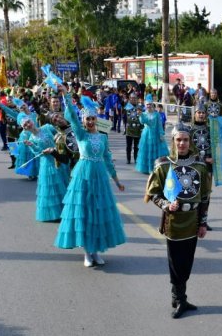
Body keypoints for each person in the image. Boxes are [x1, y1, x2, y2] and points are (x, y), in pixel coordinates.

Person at [54, 90, 126, 267]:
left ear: (96, 119)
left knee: (98, 214)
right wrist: (66, 96)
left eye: (93, 118)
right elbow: (71, 116)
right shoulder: (80, 134)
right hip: (83, 176)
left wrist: (117, 181)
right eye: (88, 119)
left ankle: (95, 252)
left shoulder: (102, 137)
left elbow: (107, 159)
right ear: (84, 120)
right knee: (85, 214)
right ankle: (87, 253)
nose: (91, 122)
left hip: (99, 177)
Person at [145, 128, 211, 318]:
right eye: (178, 140)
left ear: (190, 142)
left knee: (187, 261)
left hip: (193, 220)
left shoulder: (200, 165)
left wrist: (203, 223)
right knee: (176, 262)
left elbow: (205, 197)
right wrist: (166, 205)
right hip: (173, 222)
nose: (182, 143)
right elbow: (153, 194)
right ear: (173, 141)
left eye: (185, 140)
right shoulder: (163, 165)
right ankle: (179, 298)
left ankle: (179, 297)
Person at [22, 113, 70, 221]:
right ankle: (56, 213)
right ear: (24, 128)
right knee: (52, 188)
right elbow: (38, 153)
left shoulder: (47, 127)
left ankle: (67, 211)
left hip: (59, 158)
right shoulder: (31, 139)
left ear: (32, 121)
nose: (28, 125)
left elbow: (61, 136)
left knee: (63, 183)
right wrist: (32, 145)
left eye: (28, 122)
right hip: (47, 163)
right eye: (25, 125)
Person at [135, 94, 169, 174]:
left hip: (155, 134)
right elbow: (142, 122)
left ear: (152, 105)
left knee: (156, 152)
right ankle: (148, 169)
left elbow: (159, 125)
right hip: (146, 135)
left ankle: (156, 167)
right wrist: (140, 115)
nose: (148, 106)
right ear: (145, 105)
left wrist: (161, 134)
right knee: (147, 151)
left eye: (150, 104)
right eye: (147, 104)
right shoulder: (144, 114)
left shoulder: (156, 114)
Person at [124, 96, 143, 164]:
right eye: (132, 98)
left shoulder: (140, 107)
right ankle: (128, 159)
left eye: (135, 98)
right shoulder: (127, 107)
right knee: (128, 146)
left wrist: (142, 128)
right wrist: (125, 127)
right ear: (130, 99)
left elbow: (142, 117)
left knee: (136, 146)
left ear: (137, 99)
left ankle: (136, 159)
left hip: (137, 130)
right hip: (129, 129)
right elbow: (124, 118)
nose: (133, 99)